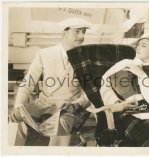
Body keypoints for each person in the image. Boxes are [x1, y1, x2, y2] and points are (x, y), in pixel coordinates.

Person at [8, 17, 92, 146]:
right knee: (15, 120)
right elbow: (28, 83)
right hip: (43, 104)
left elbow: (91, 91)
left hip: (69, 107)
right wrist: (18, 106)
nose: (82, 36)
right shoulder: (45, 54)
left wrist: (76, 105)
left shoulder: (88, 57)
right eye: (78, 31)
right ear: (65, 33)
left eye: (84, 32)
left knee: (61, 123)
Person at [100, 33, 149, 146]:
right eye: (138, 45)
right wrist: (115, 102)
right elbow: (104, 82)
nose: (138, 47)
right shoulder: (125, 64)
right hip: (127, 112)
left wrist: (141, 74)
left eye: (143, 45)